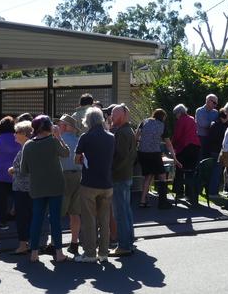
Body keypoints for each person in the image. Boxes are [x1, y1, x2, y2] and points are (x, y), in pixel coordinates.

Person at [21, 115, 69, 263]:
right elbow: (66, 153)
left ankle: (34, 253)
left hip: (37, 187)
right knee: (55, 219)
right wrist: (59, 137)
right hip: (55, 186)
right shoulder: (53, 142)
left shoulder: (28, 145)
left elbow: (24, 170)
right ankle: (59, 253)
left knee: (37, 219)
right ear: (49, 127)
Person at [75, 108, 115, 263]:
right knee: (104, 220)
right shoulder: (111, 137)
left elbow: (77, 159)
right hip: (107, 183)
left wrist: (84, 158)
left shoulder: (86, 137)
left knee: (89, 220)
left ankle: (90, 253)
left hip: (89, 183)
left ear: (88, 120)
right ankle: (104, 252)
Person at [109, 104, 137, 256]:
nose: (111, 117)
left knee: (120, 213)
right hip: (126, 175)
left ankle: (124, 245)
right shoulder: (128, 130)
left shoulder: (122, 133)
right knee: (126, 210)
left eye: (113, 114)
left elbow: (120, 157)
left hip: (119, 176)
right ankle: (129, 242)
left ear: (120, 116)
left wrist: (110, 170)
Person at [136, 109, 178, 209]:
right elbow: (168, 144)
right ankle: (162, 202)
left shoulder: (144, 122)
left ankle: (142, 201)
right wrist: (174, 157)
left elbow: (136, 136)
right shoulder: (162, 126)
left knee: (148, 176)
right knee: (162, 175)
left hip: (142, 153)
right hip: (154, 153)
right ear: (162, 117)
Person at [55, 114, 82, 256]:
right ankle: (74, 243)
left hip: (63, 177)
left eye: (60, 124)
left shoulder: (58, 140)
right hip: (79, 176)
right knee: (75, 212)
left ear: (65, 126)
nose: (58, 126)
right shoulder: (79, 140)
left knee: (57, 213)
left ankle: (55, 244)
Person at [8, 121, 33, 255]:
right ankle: (29, 243)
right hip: (30, 188)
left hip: (22, 188)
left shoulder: (26, 148)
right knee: (29, 216)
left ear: (24, 134)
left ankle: (23, 244)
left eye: (17, 132)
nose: (14, 135)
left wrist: (13, 170)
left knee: (22, 217)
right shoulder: (29, 147)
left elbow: (25, 169)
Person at [0, 116, 20, 230]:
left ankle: (2, 220)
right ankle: (17, 217)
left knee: (1, 200)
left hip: (0, 175)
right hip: (16, 174)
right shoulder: (18, 139)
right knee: (17, 198)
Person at [171, 104, 201, 205]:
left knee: (179, 169)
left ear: (179, 113)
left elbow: (177, 135)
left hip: (185, 147)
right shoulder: (192, 118)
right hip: (195, 147)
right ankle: (190, 194)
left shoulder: (181, 120)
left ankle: (179, 192)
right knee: (190, 171)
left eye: (176, 114)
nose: (176, 116)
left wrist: (172, 145)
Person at [207, 109, 228, 197]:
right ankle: (212, 192)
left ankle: (212, 190)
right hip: (218, 151)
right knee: (216, 172)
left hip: (214, 150)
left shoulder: (214, 125)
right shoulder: (221, 126)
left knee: (216, 171)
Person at [196, 94, 219, 159]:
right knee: (201, 157)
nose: (215, 105)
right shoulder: (199, 111)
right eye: (214, 103)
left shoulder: (215, 112)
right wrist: (212, 124)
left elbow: (217, 124)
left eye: (216, 103)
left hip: (211, 138)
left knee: (209, 157)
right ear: (208, 101)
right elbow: (202, 124)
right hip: (201, 137)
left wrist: (213, 125)